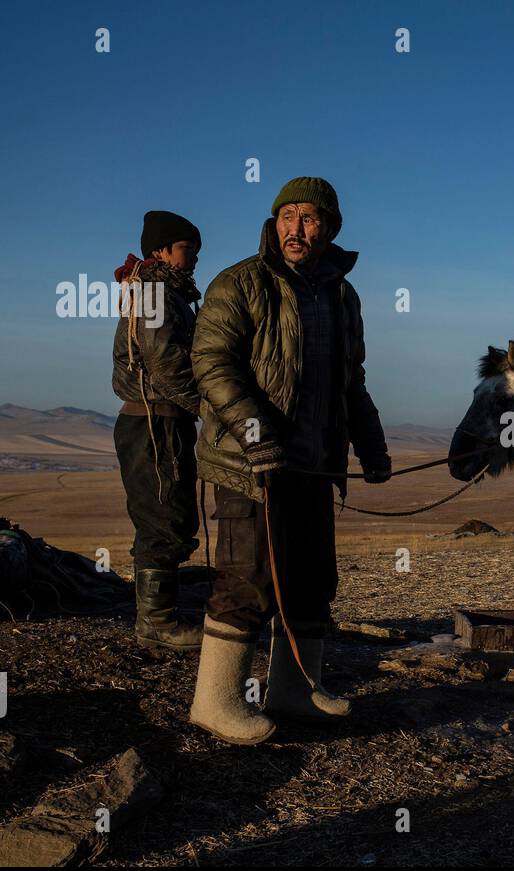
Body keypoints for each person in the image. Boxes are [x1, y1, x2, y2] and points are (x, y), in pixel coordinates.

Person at [189, 176, 391, 745]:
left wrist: (370, 446)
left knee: (310, 582)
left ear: (330, 227)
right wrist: (256, 433)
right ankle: (215, 701)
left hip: (316, 465)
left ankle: (294, 690)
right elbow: (211, 362)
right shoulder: (241, 283)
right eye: (287, 216)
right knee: (246, 580)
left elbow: (352, 381)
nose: (295, 229)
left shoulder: (343, 296)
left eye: (309, 218)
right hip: (251, 468)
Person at [110, 210, 204, 653]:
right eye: (188, 250)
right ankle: (157, 623)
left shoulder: (168, 293)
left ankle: (162, 616)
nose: (195, 260)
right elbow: (165, 362)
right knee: (161, 516)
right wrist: (206, 404)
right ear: (161, 250)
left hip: (165, 418)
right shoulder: (152, 292)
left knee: (173, 513)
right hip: (152, 420)